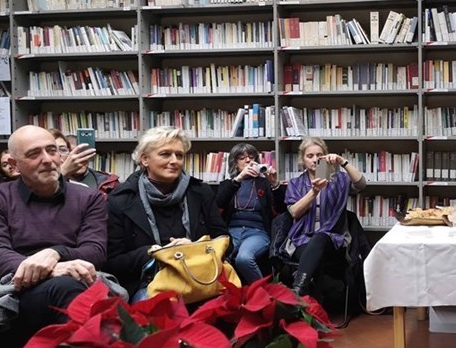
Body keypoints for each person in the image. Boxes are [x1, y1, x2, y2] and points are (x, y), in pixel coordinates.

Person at [0, 125, 108, 348]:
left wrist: (55, 253)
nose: (47, 159)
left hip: (76, 282)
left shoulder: (89, 198)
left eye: (52, 150)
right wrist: (53, 270)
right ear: (14, 165)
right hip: (13, 297)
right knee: (66, 287)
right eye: (34, 154)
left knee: (76, 289)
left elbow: (95, 251)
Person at [106, 126, 228, 301]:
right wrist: (153, 253)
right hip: (149, 282)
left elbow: (225, 241)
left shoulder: (201, 192)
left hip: (200, 277)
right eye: (165, 154)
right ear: (145, 159)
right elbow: (112, 262)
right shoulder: (120, 199)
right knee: (154, 307)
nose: (175, 161)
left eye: (179, 155)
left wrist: (194, 248)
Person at [283, 136, 366, 296]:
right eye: (310, 156)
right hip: (302, 239)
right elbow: (294, 212)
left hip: (333, 239)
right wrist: (314, 192)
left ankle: (298, 291)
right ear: (303, 159)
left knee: (320, 238)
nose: (315, 160)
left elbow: (361, 184)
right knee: (314, 258)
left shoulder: (339, 179)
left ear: (326, 156)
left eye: (319, 155)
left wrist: (342, 161)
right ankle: (313, 295)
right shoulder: (295, 183)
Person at [214, 143, 285, 284]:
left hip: (257, 232)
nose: (248, 160)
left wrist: (275, 184)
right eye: (242, 158)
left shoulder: (264, 183)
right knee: (218, 257)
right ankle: (227, 294)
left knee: (244, 258)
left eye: (251, 157)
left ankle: (264, 292)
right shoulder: (228, 184)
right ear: (235, 163)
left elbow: (281, 209)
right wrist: (239, 178)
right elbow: (218, 205)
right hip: (231, 232)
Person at [50, 128, 120, 197]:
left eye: (82, 152)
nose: (79, 157)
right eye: (73, 153)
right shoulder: (52, 181)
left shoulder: (109, 182)